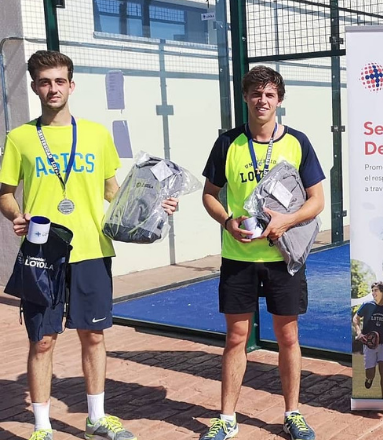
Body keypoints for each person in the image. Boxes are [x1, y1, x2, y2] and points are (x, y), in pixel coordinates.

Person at [0, 50, 179, 440]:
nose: (53, 88)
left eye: (59, 81)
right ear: (34, 87)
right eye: (45, 82)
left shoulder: (97, 134)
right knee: (42, 340)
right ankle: (42, 426)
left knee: (93, 335)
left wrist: (153, 205)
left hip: (92, 251)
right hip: (42, 255)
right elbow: (5, 193)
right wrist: (15, 214)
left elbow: (114, 192)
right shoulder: (20, 138)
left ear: (71, 85)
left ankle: (96, 417)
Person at [200, 65, 325, 440]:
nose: (262, 100)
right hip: (238, 257)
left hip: (282, 258)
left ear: (279, 100)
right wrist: (227, 221)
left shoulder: (298, 142)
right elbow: (208, 194)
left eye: (269, 94)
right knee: (236, 338)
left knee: (288, 338)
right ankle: (226, 417)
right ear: (245, 98)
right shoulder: (227, 143)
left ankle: (292, 413)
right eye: (256, 94)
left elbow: (317, 200)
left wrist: (286, 222)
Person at [352, 281, 383, 399]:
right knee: (370, 373)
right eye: (372, 290)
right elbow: (356, 318)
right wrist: (359, 333)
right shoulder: (367, 305)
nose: (373, 293)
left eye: (376, 290)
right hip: (369, 343)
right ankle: (369, 379)